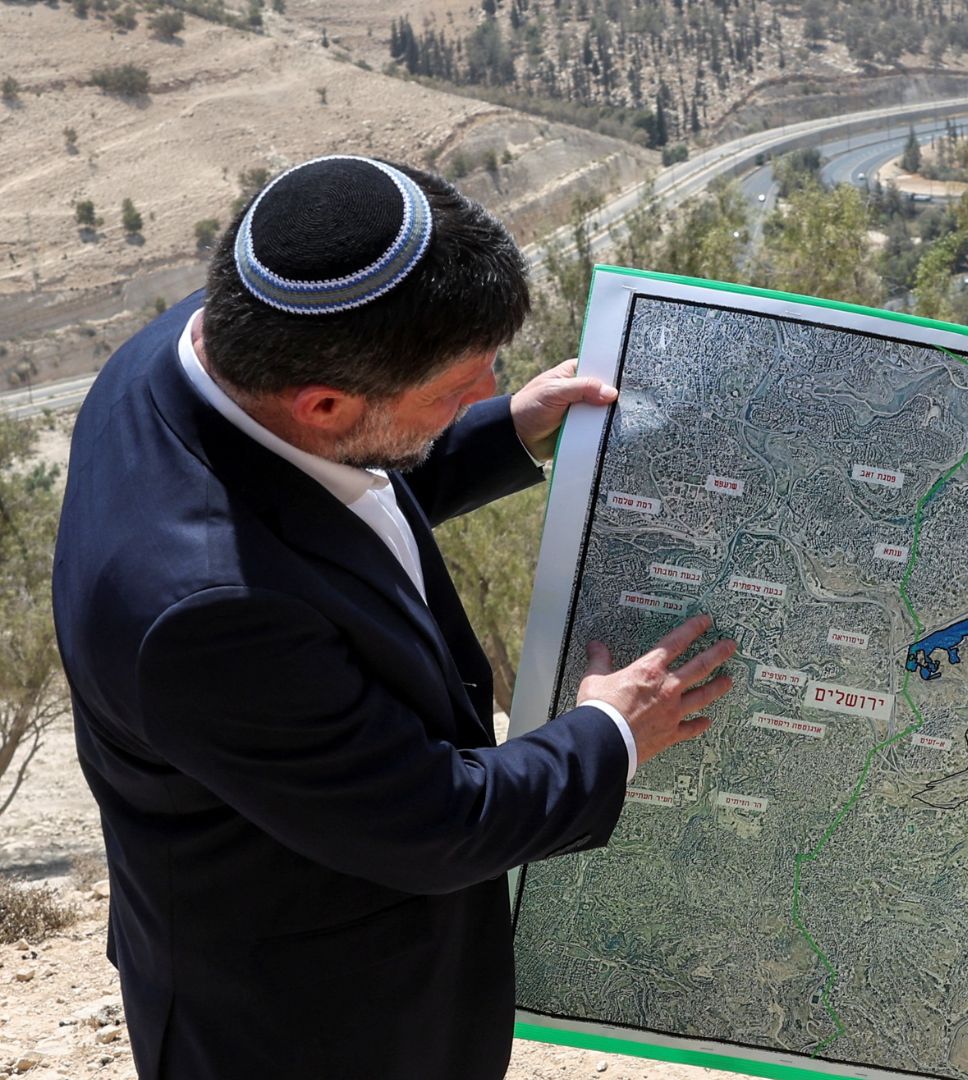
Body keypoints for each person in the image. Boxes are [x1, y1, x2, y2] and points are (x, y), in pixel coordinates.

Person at [51, 156, 735, 1078]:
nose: (486, 381)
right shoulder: (205, 612)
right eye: (459, 386)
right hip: (306, 1026)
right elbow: (434, 824)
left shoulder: (229, 336)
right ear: (327, 401)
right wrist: (613, 730)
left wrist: (506, 425)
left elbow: (327, 495)